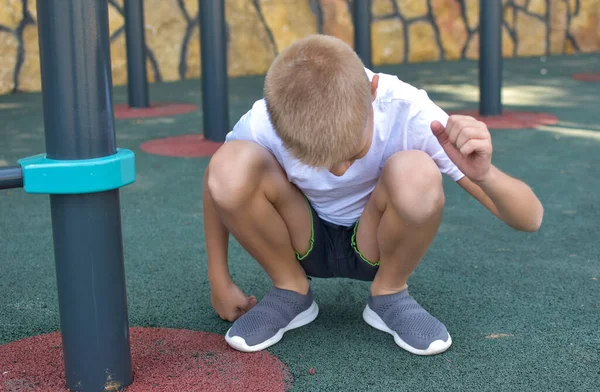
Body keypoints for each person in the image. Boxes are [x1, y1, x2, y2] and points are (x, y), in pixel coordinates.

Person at [203, 34, 543, 356]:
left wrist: (485, 175)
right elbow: (216, 184)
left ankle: (389, 294)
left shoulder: (409, 112)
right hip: (299, 238)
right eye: (318, 159)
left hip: (375, 241)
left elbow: (530, 220)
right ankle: (290, 288)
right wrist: (219, 278)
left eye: (351, 153)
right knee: (229, 164)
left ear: (372, 91)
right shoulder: (267, 117)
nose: (338, 168)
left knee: (416, 170)